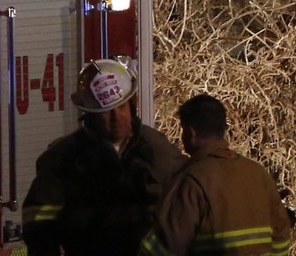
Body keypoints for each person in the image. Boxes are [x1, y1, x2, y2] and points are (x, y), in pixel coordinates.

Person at [21, 58, 186, 256]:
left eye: (121, 107)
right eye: (106, 112)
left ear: (132, 105)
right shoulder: (63, 159)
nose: (116, 118)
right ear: (89, 115)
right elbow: (38, 223)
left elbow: (186, 204)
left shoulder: (157, 149)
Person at [139, 94, 291, 255]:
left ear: (191, 133)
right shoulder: (258, 173)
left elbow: (163, 247)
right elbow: (281, 234)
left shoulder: (191, 181)